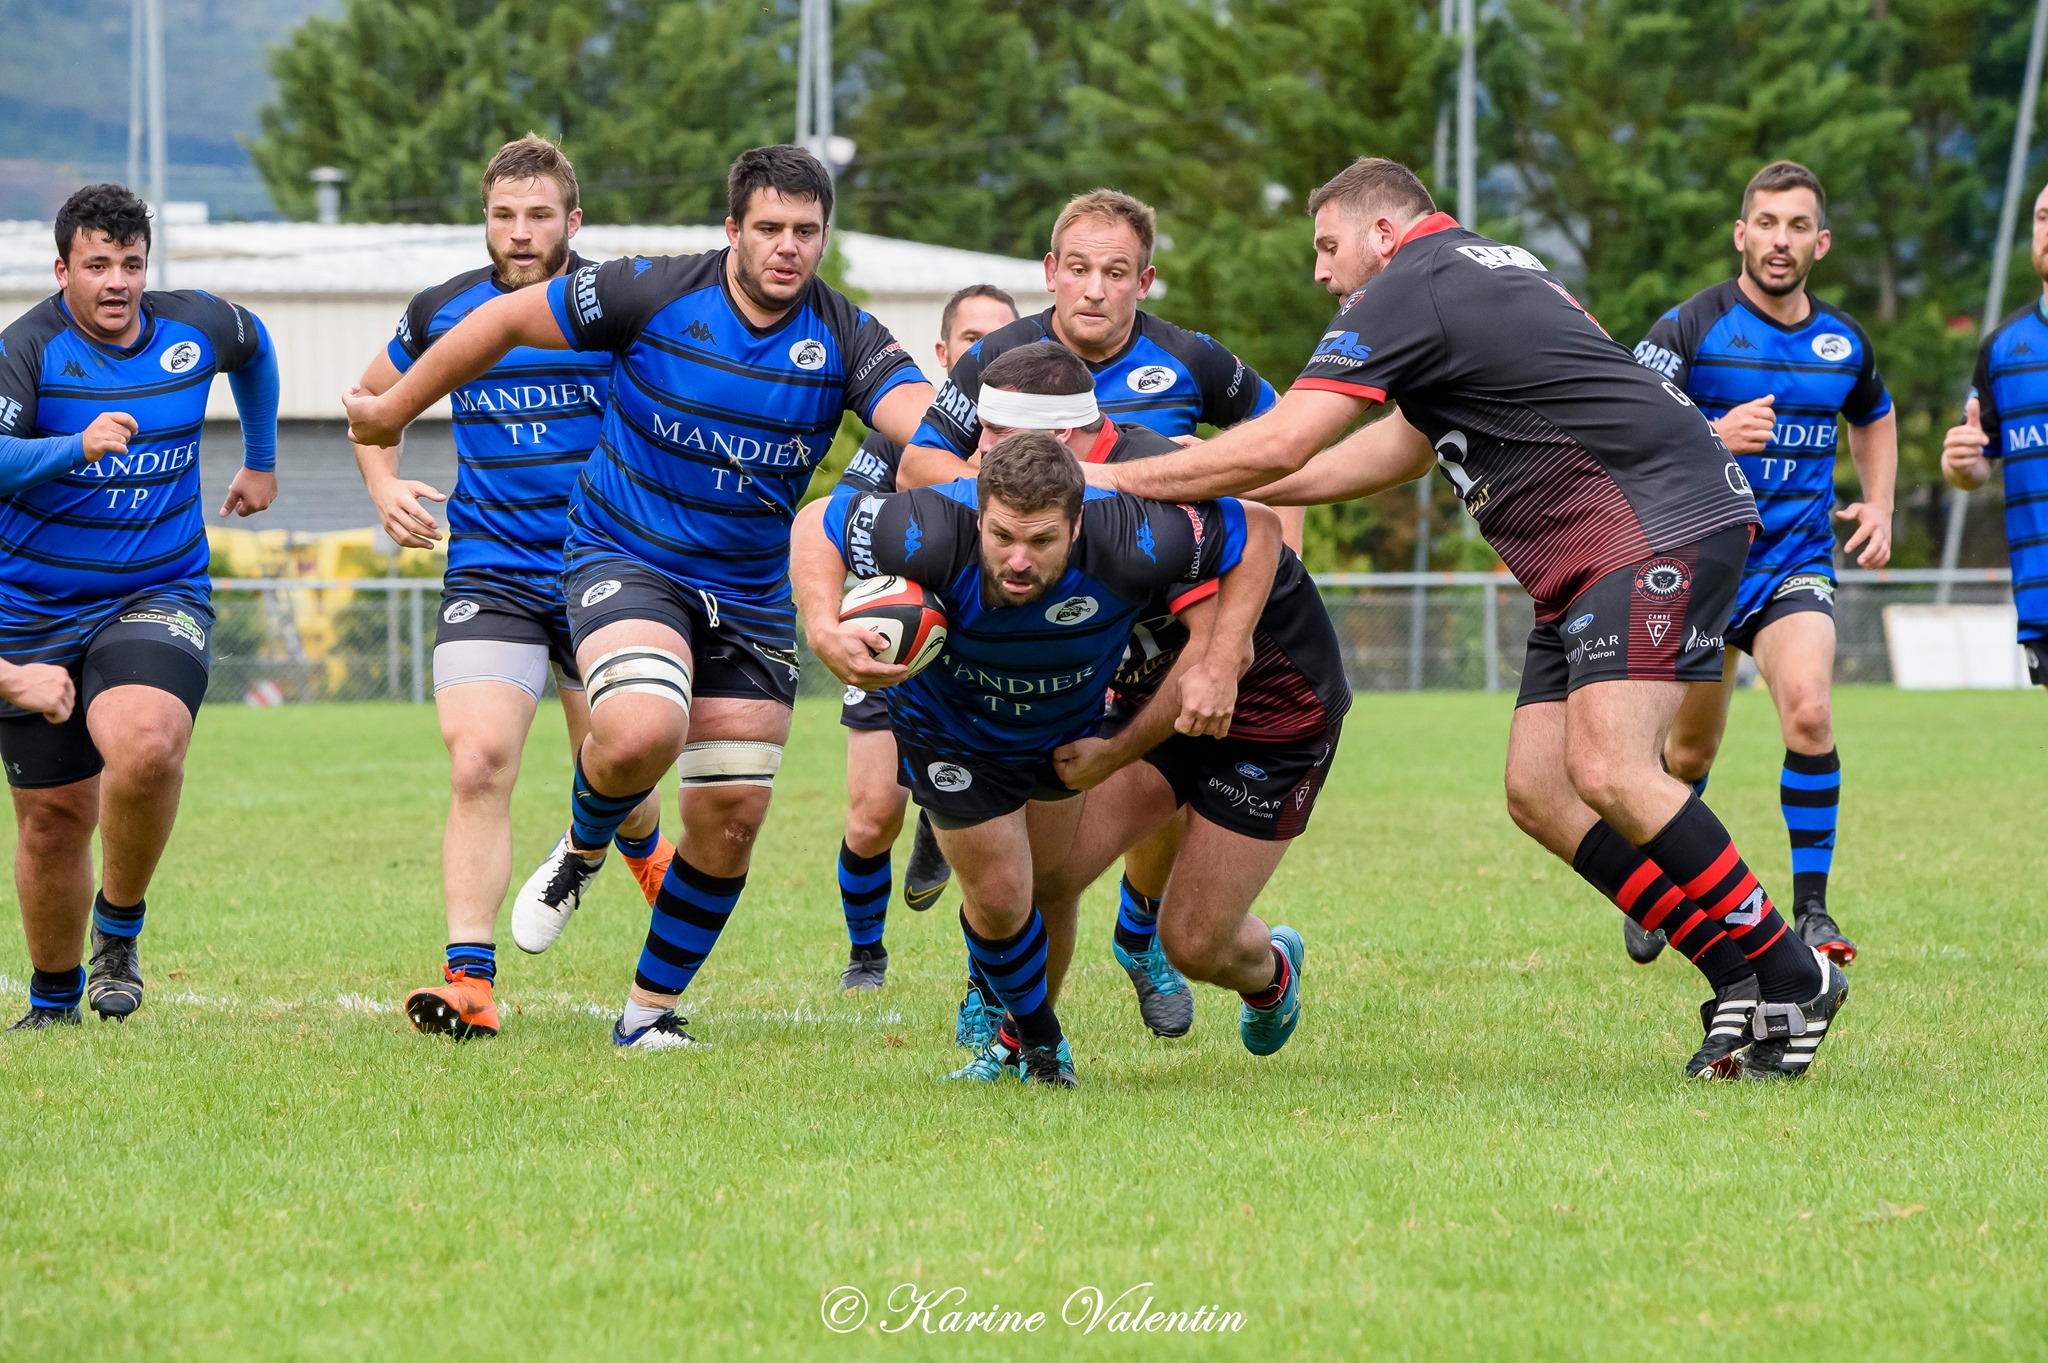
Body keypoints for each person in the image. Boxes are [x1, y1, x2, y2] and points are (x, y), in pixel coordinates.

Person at [1091, 156, 1847, 1082]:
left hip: (1644, 523)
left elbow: (1288, 435)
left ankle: (1789, 968)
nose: (1323, 274)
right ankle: (1736, 970)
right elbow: (1383, 456)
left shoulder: (1415, 282)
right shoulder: (1474, 272)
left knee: (1611, 767)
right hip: (1590, 548)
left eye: (1328, 247)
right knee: (1541, 787)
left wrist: (1117, 477)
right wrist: (1211, 483)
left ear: (1382, 231)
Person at [345, 146, 932, 1050]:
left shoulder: (848, 336)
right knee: (633, 733)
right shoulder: (647, 291)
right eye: (768, 228)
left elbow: (922, 434)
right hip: (618, 556)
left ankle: (644, 1012)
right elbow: (497, 324)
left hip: (747, 590)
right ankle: (535, 904)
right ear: (732, 230)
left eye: (806, 232)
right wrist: (390, 418)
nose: (787, 248)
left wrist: (994, 481)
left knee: (731, 817)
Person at [790, 430, 1278, 1086]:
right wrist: (822, 627)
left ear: (1078, 524)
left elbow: (1261, 528)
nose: (1019, 559)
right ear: (979, 513)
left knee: (1047, 884)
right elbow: (814, 522)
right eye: (1002, 537)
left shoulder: (1135, 535)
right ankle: (1043, 1046)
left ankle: (1020, 1033)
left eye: (1042, 540)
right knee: (999, 897)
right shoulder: (930, 526)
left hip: (1062, 734)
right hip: (948, 732)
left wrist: (1222, 657)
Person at [347, 135, 669, 1041]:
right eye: (502, 215)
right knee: (478, 759)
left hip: (605, 568)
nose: (520, 233)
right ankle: (470, 980)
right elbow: (370, 404)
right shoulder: (442, 309)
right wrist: (383, 488)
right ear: (483, 219)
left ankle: (635, 843)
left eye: (539, 215)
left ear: (575, 220)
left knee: (619, 761)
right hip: (489, 570)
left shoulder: (619, 307)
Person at [956, 342, 1348, 1061]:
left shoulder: (1148, 473)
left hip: (1272, 714)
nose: (977, 448)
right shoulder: (1030, 497)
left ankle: (1272, 973)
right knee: (1052, 874)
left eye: (996, 434)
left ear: (1064, 437)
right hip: (1158, 693)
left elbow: (1257, 525)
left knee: (1196, 942)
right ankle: (1023, 1048)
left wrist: (1220, 660)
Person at [0, 183, 279, 1029]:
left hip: (156, 591)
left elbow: (256, 346)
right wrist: (70, 447)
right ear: (62, 270)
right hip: (34, 610)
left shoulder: (195, 326)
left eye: (130, 263)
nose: (116, 282)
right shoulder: (28, 350)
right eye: (97, 265)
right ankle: (52, 1004)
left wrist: (262, 457)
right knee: (54, 820)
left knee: (149, 745)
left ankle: (117, 930)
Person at [1629, 161, 1894, 968]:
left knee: (1809, 710)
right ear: (1741, 234)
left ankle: (1810, 911)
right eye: (1768, 224)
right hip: (1702, 566)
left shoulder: (1843, 341)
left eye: (1798, 226)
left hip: (1793, 565)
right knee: (1689, 757)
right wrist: (1713, 431)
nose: (1782, 241)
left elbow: (1873, 414)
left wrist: (1879, 503)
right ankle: (1661, 884)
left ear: (1822, 240)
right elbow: (1625, 422)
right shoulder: (1691, 326)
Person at [832, 284, 1017, 993]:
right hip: (899, 632)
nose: (988, 354)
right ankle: (866, 955)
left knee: (997, 821)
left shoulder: (1040, 445)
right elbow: (845, 520)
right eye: (973, 340)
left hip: (992, 650)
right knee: (871, 812)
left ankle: (987, 982)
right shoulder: (901, 434)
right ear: (944, 355)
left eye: (1003, 338)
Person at [893, 189, 1277, 490]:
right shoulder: (994, 354)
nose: (1094, 290)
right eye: (1078, 269)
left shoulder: (1191, 356)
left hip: (1162, 580)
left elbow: (1285, 439)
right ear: (1051, 272)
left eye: (1115, 273)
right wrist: (1019, 494)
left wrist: (1285, 553)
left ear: (1143, 282)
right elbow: (916, 469)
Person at [1941, 180, 2048, 693]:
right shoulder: (2003, 348)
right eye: (2044, 217)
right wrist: (1961, 465)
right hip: (2042, 592)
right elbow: (1977, 462)